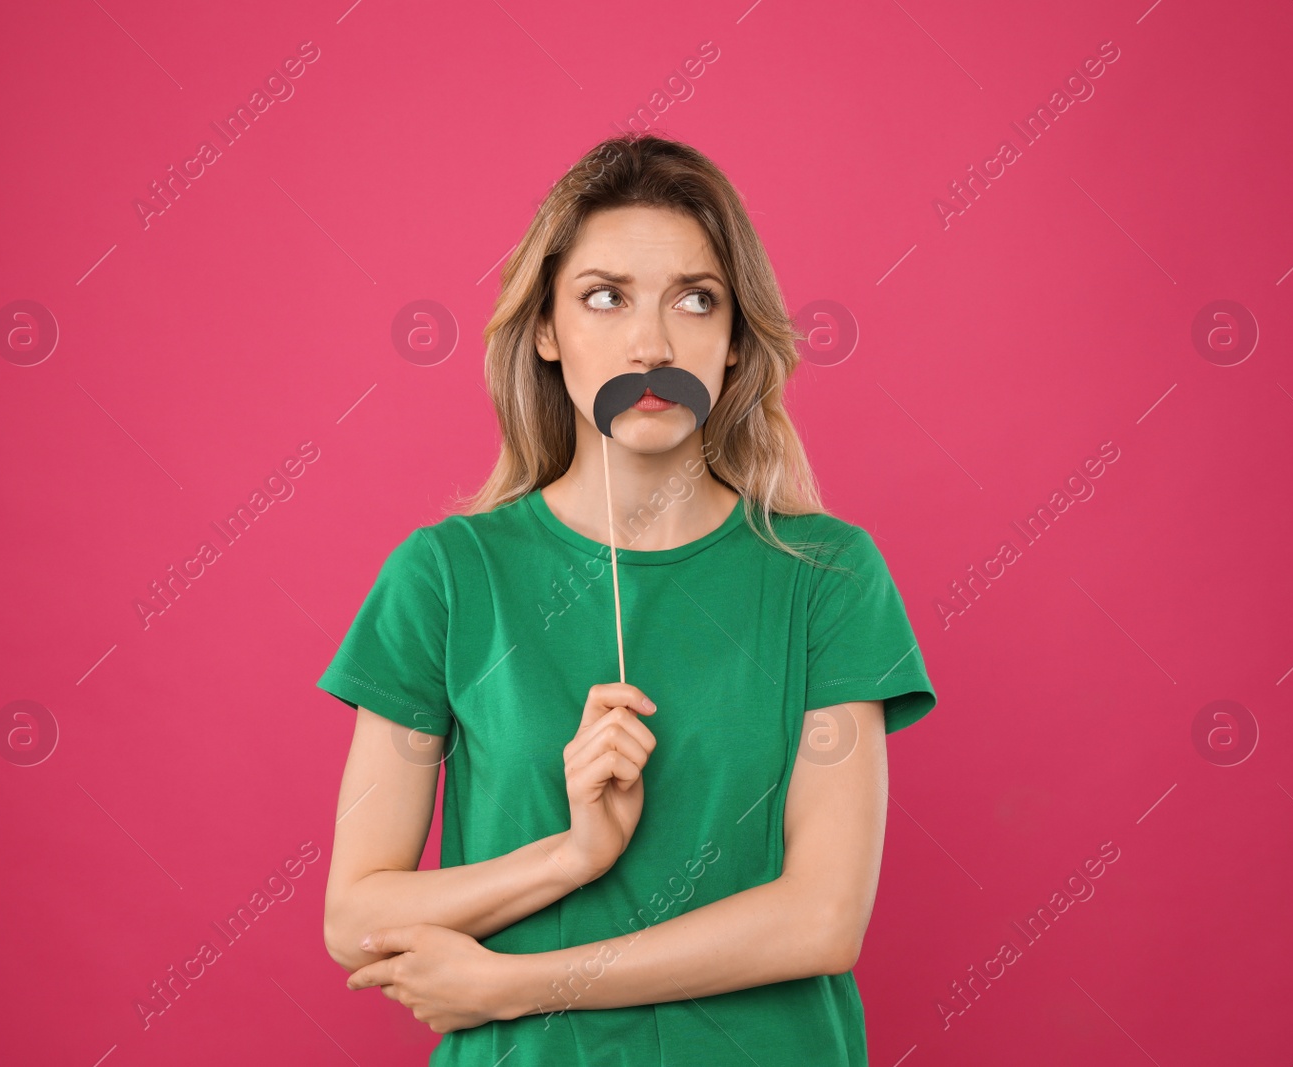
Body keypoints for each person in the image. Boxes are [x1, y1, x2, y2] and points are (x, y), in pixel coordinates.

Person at [316, 133, 938, 1065]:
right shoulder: (446, 577)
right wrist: (572, 856)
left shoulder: (829, 576)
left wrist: (519, 982)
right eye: (604, 297)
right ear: (546, 330)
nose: (652, 343)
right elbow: (356, 913)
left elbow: (822, 919)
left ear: (733, 342)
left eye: (695, 300)